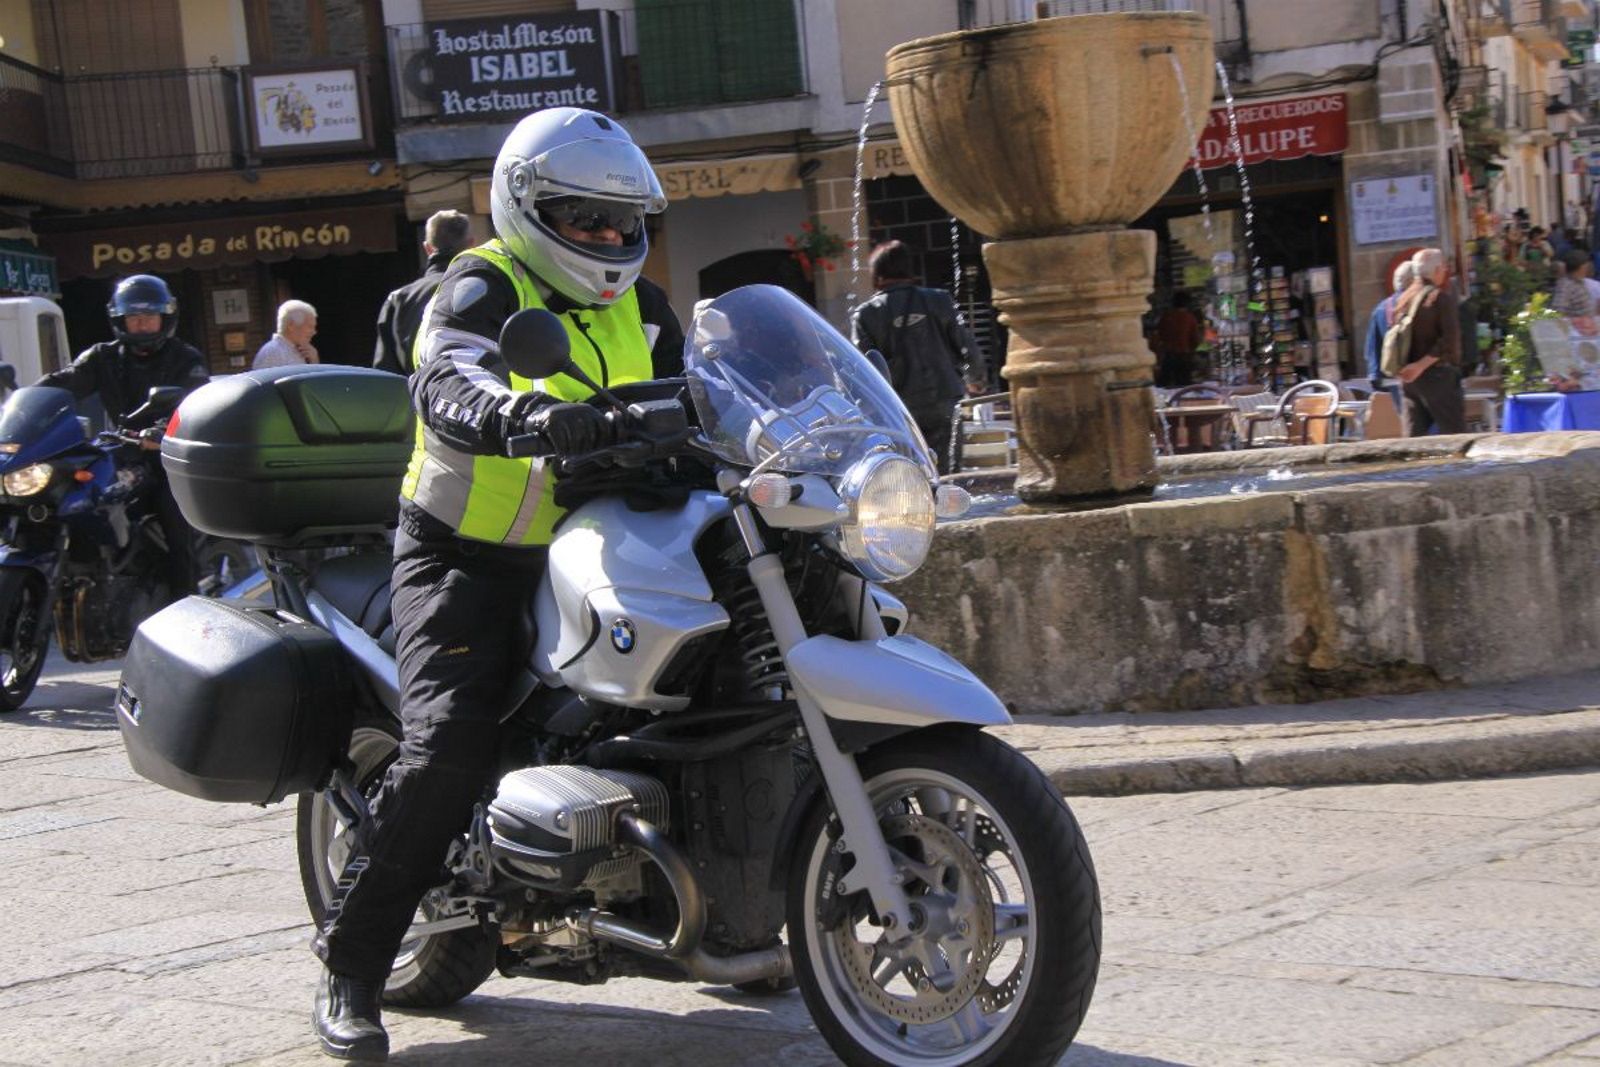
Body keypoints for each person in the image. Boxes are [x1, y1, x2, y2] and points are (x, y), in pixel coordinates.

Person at [308, 107, 683, 1062]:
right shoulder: (480, 283)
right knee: (448, 746)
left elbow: (706, 393)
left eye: (620, 221)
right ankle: (353, 963)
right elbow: (448, 381)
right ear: (525, 205)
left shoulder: (646, 307)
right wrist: (522, 417)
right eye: (584, 217)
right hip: (466, 553)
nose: (607, 237)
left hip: (601, 543)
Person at [40, 274, 209, 594]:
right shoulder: (102, 356)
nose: (142, 325)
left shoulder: (186, 359)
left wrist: (161, 431)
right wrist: (28, 402)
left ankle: (188, 601)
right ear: (120, 320)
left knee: (176, 524)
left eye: (149, 317)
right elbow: (66, 383)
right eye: (134, 318)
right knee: (75, 499)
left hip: (168, 458)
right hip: (122, 451)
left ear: (165, 318)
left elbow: (194, 403)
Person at [849, 240, 986, 474]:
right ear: (908, 268)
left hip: (899, 409)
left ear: (877, 274)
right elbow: (967, 345)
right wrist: (976, 379)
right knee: (948, 475)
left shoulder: (866, 314)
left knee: (909, 475)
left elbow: (862, 370)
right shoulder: (939, 300)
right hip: (944, 400)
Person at [373, 210, 472, 375]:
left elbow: (385, 373)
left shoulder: (398, 300)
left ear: (427, 248)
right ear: (471, 245)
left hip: (414, 389)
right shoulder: (485, 291)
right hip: (473, 390)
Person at [1392, 248, 1465, 436]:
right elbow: (1449, 340)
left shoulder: (1403, 299)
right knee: (1455, 437)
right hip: (1438, 376)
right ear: (1437, 270)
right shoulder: (1439, 298)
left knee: (1413, 439)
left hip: (1409, 379)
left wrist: (1410, 368)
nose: (1446, 271)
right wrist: (1421, 366)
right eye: (1444, 267)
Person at [1362, 260, 1416, 383]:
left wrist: (1375, 378)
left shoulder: (1380, 309)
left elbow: (1372, 350)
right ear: (1412, 281)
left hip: (1390, 380)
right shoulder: (1420, 305)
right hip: (1417, 378)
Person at [1152, 291, 1204, 388]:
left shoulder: (1166, 317)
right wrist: (1191, 352)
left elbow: (1158, 336)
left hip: (1168, 356)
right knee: (1184, 387)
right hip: (1184, 356)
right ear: (1188, 303)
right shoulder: (1190, 318)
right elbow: (1195, 340)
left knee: (1166, 386)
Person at [253, 300, 319, 369]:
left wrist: (314, 361)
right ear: (291, 325)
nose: (314, 332)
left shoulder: (299, 350)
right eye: (310, 327)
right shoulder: (273, 352)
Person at [1552, 248, 1597, 319]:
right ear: (1582, 267)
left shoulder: (1580, 281)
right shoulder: (1566, 285)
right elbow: (1558, 312)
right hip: (1577, 325)